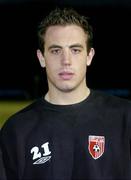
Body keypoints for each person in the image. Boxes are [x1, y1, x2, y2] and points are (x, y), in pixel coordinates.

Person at [0, 7, 131, 180]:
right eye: (56, 51)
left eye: (75, 50)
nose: (66, 61)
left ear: (89, 56)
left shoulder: (125, 118)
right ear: (41, 58)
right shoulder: (16, 130)